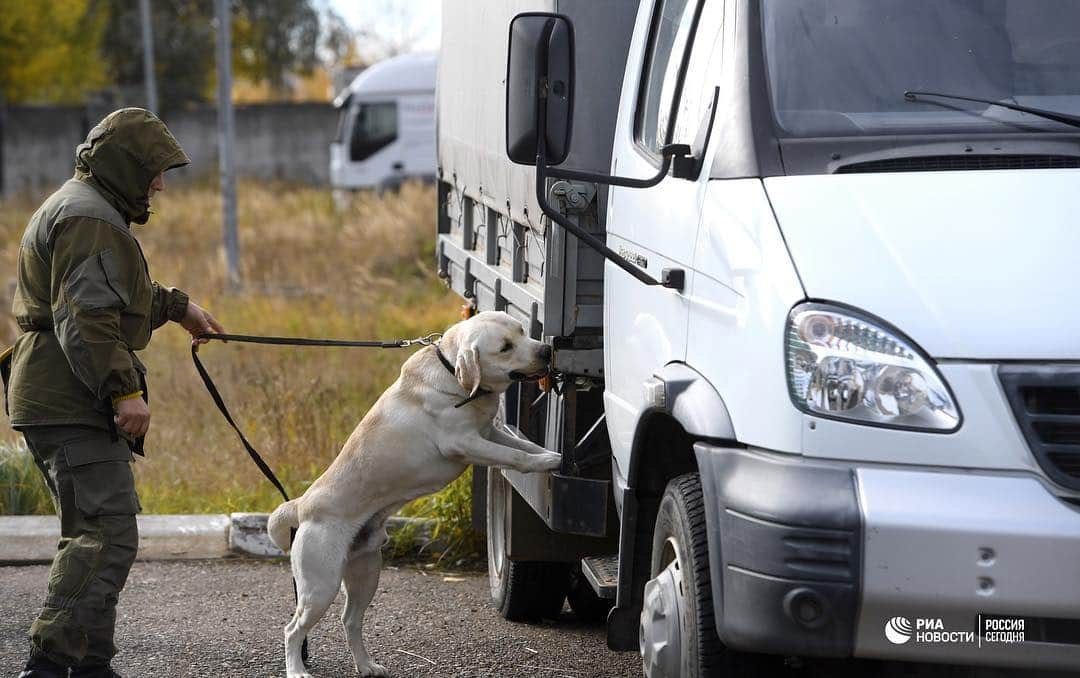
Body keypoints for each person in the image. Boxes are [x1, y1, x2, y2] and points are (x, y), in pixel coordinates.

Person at [3, 108, 225, 678]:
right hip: (70, 395)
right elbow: (89, 318)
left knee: (98, 535)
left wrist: (179, 308)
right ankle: (49, 665)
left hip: (57, 392)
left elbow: (112, 292)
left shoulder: (85, 208)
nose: (160, 184)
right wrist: (124, 391)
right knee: (105, 539)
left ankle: (90, 666)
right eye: (154, 170)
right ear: (125, 166)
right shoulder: (91, 219)